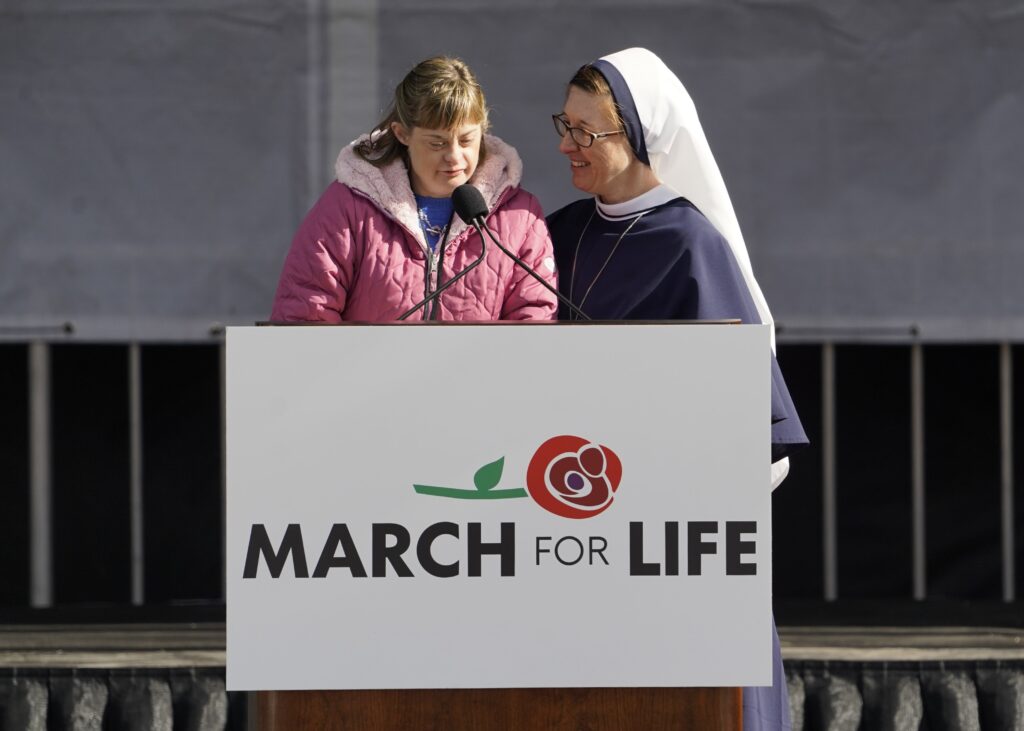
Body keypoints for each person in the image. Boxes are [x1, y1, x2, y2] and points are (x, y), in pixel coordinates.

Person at [546, 48, 808, 730]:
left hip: (665, 549)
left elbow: (741, 424)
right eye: (563, 125)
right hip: (570, 537)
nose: (566, 145)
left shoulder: (691, 244)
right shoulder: (555, 233)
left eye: (586, 132)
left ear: (640, 138)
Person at [271, 56, 557, 322]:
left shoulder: (521, 216)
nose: (455, 157)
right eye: (437, 143)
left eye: (468, 140)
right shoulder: (347, 208)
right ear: (402, 133)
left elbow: (534, 323)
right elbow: (305, 315)